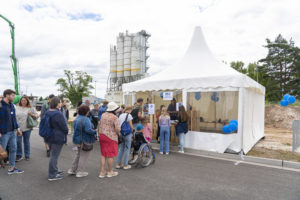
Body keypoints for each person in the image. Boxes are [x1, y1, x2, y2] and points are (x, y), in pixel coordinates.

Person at [68, 105, 97, 178]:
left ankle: (72, 169)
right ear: (86, 112)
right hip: (84, 140)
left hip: (77, 139)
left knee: (78, 155)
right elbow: (88, 130)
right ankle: (80, 172)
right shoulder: (86, 119)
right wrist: (95, 131)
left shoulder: (77, 118)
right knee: (83, 156)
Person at [44, 97, 69, 181]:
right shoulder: (58, 114)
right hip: (57, 137)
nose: (61, 103)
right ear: (57, 103)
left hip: (49, 136)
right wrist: (66, 132)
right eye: (60, 102)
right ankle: (52, 175)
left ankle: (54, 170)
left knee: (53, 155)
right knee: (54, 156)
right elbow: (64, 127)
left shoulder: (48, 112)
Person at [0, 89, 24, 174]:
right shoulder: (0, 105)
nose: (14, 97)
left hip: (13, 131)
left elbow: (14, 119)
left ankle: (12, 168)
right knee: (1, 152)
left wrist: (17, 129)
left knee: (13, 149)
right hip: (4, 132)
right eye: (13, 95)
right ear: (7, 95)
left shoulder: (12, 105)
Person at [98, 102, 121, 178]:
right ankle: (110, 172)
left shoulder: (103, 115)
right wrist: (119, 134)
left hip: (102, 135)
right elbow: (118, 129)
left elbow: (100, 124)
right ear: (114, 109)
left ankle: (102, 172)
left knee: (103, 154)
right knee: (110, 155)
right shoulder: (114, 117)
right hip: (111, 137)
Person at [16, 96, 39, 161]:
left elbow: (37, 116)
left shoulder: (31, 108)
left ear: (27, 101)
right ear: (20, 101)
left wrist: (31, 114)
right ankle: (19, 155)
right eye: (22, 100)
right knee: (18, 142)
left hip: (27, 128)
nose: (23, 102)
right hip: (18, 128)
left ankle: (27, 155)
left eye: (25, 100)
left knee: (26, 141)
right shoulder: (17, 107)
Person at [116, 106, 134, 170]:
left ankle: (118, 164)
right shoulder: (129, 115)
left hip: (121, 133)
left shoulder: (120, 115)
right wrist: (132, 131)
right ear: (130, 110)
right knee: (127, 149)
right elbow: (131, 126)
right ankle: (125, 165)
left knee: (121, 148)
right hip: (127, 133)